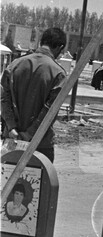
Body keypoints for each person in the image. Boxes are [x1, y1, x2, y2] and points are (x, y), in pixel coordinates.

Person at [1, 27, 67, 161]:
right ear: (59, 47)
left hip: (11, 142)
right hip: (40, 146)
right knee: (38, 180)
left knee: (7, 179)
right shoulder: (58, 73)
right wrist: (29, 134)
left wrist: (12, 128)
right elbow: (49, 111)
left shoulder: (14, 65)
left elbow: (3, 99)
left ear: (41, 41)